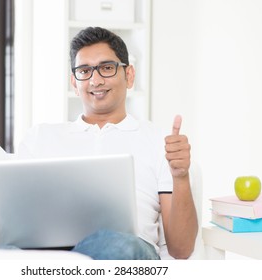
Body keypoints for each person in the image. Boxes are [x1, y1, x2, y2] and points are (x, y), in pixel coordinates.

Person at [17, 26, 198, 260]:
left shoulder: (158, 141)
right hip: (50, 254)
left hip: (125, 250)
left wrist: (181, 175)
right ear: (74, 81)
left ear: (129, 75)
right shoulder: (39, 137)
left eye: (106, 68)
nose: (95, 80)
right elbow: (18, 225)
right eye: (84, 70)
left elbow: (181, 249)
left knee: (115, 245)